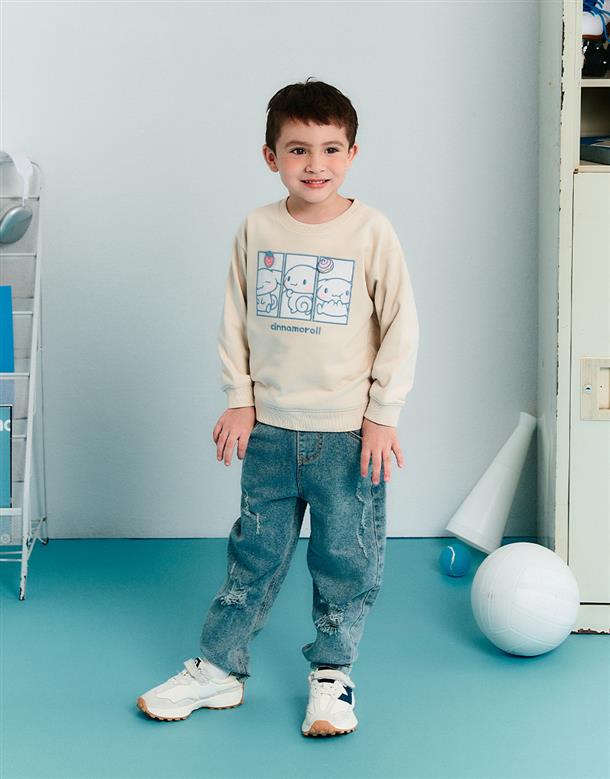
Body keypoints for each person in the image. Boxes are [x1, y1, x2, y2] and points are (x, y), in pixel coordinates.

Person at [137, 77, 420, 737]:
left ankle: (332, 674)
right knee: (253, 556)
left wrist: (383, 414)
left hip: (347, 436)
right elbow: (234, 318)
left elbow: (401, 326)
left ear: (352, 154)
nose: (315, 164)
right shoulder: (257, 227)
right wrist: (239, 400)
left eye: (330, 149)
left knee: (345, 560)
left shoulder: (372, 231)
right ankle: (219, 668)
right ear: (271, 157)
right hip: (268, 432)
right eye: (298, 150)